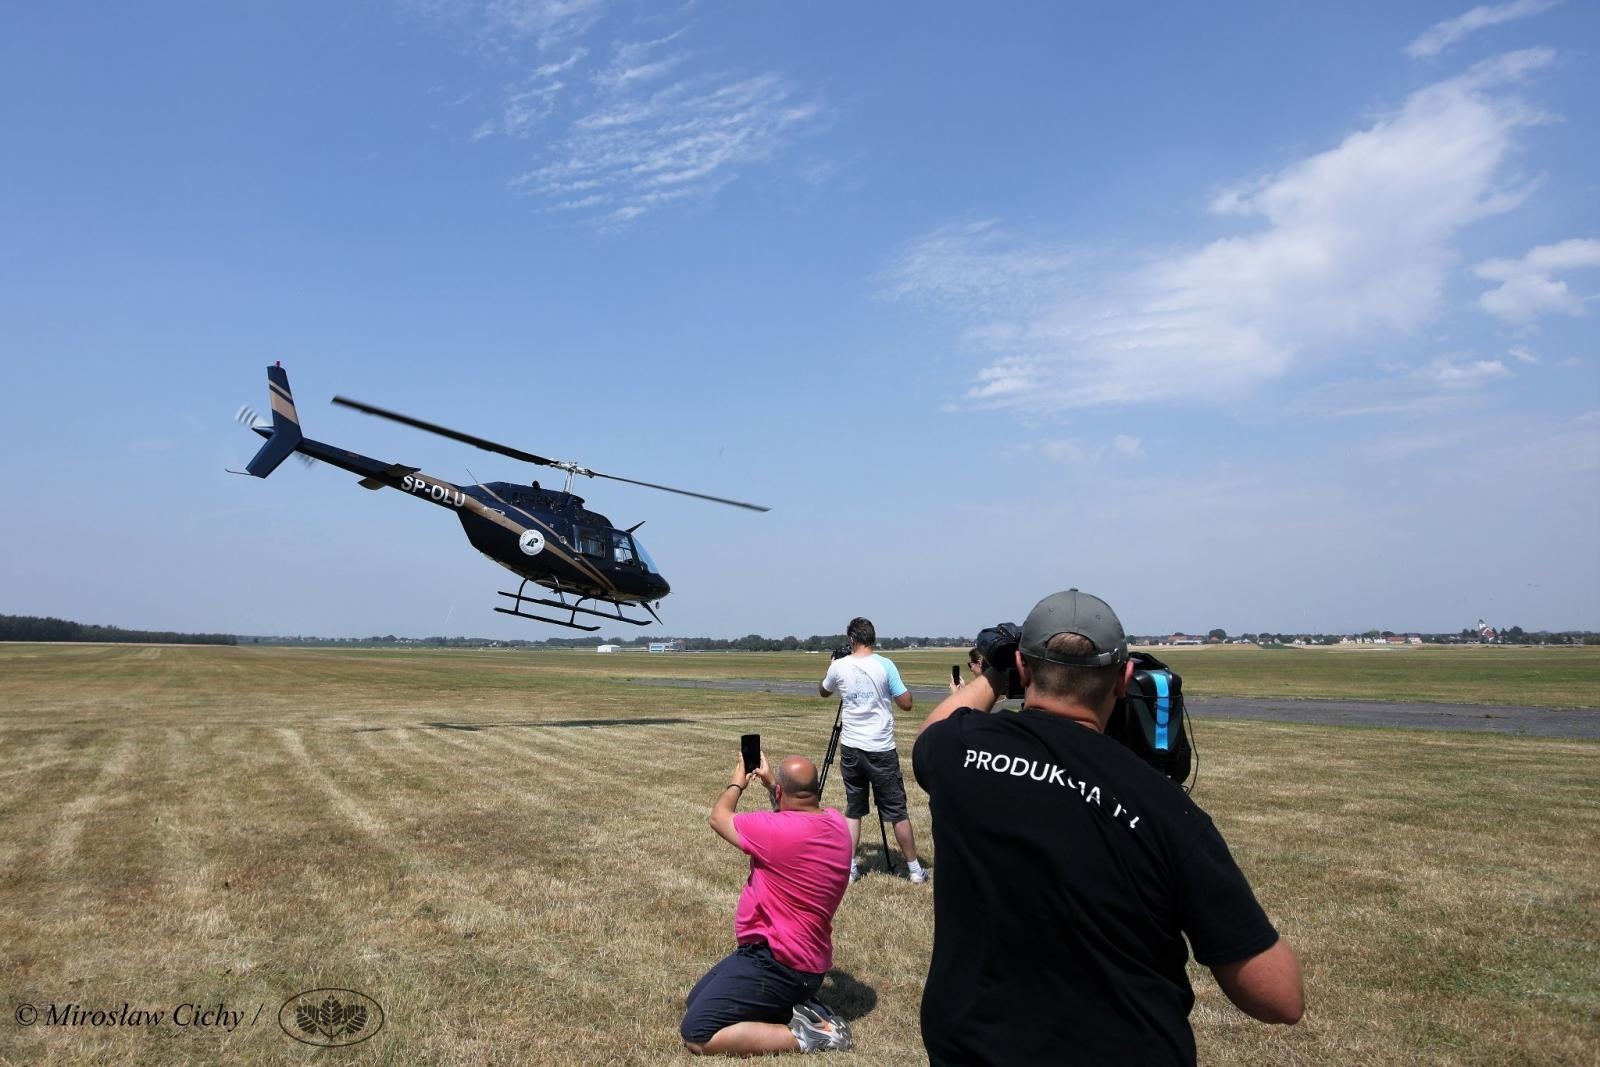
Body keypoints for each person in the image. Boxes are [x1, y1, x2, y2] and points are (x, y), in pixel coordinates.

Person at [913, 590, 1304, 1065]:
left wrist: (994, 672)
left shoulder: (959, 752)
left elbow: (935, 727)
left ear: (1023, 667)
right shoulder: (1164, 811)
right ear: (1124, 679)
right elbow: (1280, 999)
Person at [681, 751, 855, 1056]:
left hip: (779, 965)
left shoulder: (775, 831)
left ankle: (810, 1035)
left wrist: (736, 784)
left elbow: (719, 817)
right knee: (695, 1000)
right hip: (800, 962)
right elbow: (795, 811)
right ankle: (797, 1005)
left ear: (780, 794)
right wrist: (773, 783)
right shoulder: (837, 824)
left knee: (698, 1032)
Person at [819, 617, 928, 883]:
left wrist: (831, 669)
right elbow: (906, 703)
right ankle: (914, 868)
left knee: (854, 808)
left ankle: (850, 867)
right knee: (896, 810)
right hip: (880, 747)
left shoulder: (840, 666)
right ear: (872, 638)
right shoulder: (885, 665)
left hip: (851, 747)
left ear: (851, 639)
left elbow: (823, 691)